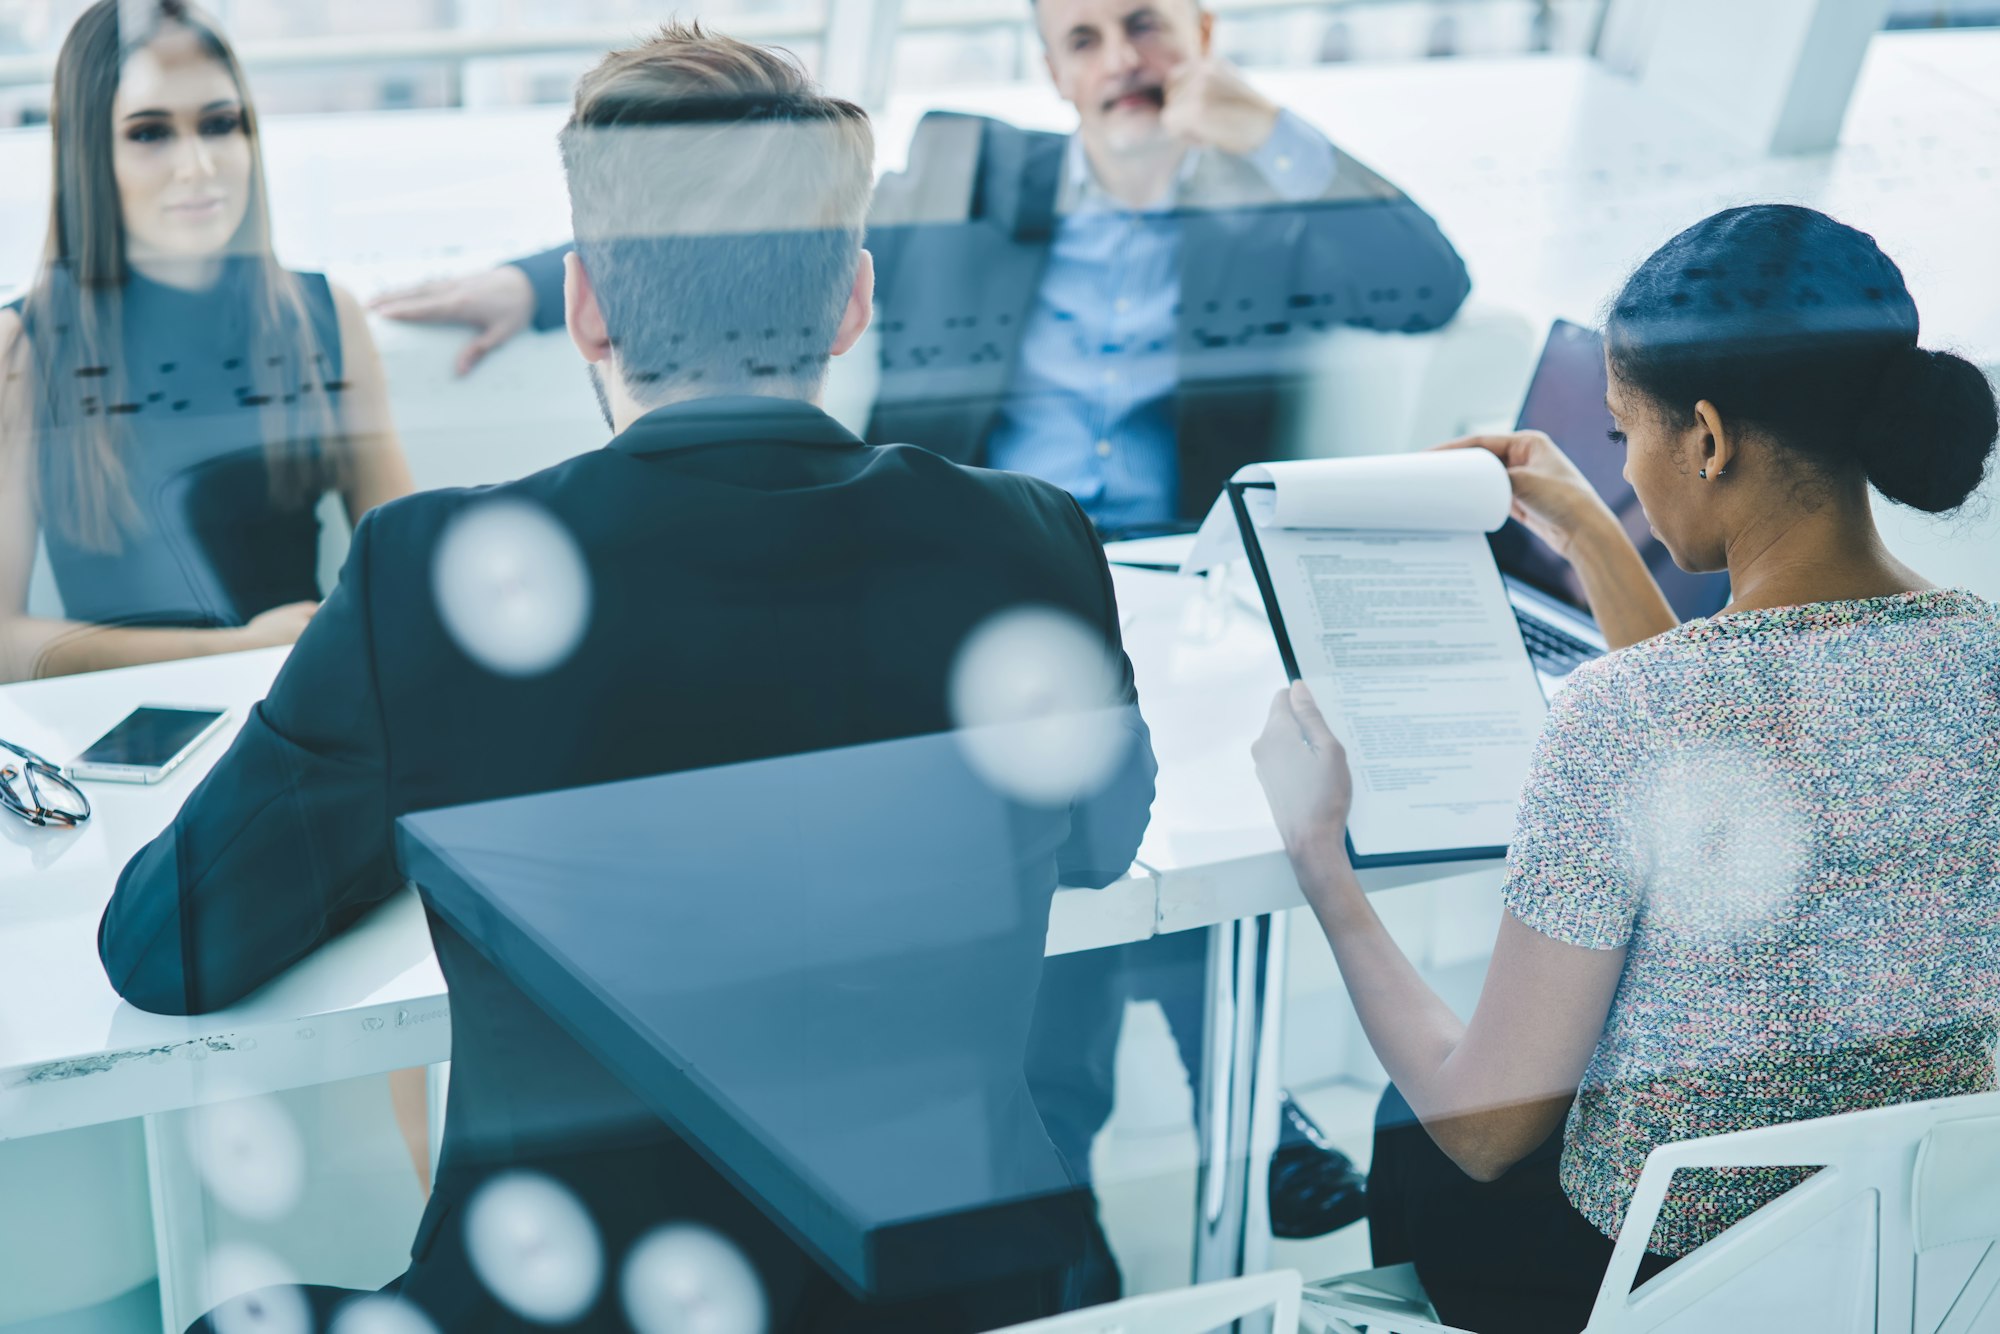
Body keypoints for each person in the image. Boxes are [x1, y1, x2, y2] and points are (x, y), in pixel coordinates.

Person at [99, 23, 1156, 1334]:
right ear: (850, 301)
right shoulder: (1032, 537)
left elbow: (165, 949)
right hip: (943, 1299)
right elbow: (1104, 840)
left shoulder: (433, 578)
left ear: (587, 304)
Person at [375, 0, 1467, 1242]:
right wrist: (529, 283)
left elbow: (1427, 282)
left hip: (1170, 580)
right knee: (1078, 814)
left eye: (1147, 26)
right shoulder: (975, 180)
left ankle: (1169, 1134)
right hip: (979, 570)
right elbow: (734, 223)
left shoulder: (1260, 212)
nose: (1123, 62)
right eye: (1085, 39)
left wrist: (1261, 127)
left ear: (1204, 34)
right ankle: (1205, 1131)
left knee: (1109, 807)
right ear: (1050, 69)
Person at [1251, 203, 2000, 1334]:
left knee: (1412, 1131)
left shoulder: (1623, 715)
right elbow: (1738, 738)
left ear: (1704, 437)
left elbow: (1486, 1123)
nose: (1625, 467)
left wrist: (1321, 860)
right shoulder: (1980, 655)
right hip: (1908, 1256)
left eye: (1620, 437)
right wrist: (1593, 534)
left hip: (1644, 1277)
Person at [0, 0, 414, 683]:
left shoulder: (324, 316)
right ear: (88, 153)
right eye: (149, 133)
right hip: (130, 728)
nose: (198, 166)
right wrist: (238, 647)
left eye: (221, 125)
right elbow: (4, 644)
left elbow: (400, 563)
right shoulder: (24, 348)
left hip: (305, 707)